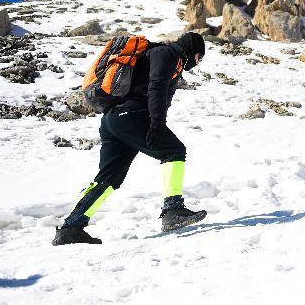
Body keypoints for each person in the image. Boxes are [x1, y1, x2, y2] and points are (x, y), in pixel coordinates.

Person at [53, 32, 208, 245]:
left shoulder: (158, 54)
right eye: (199, 57)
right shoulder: (168, 54)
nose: (198, 63)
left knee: (109, 178)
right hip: (131, 116)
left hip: (112, 120)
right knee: (174, 151)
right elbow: (157, 86)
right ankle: (173, 209)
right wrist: (157, 123)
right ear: (192, 50)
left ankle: (71, 227)